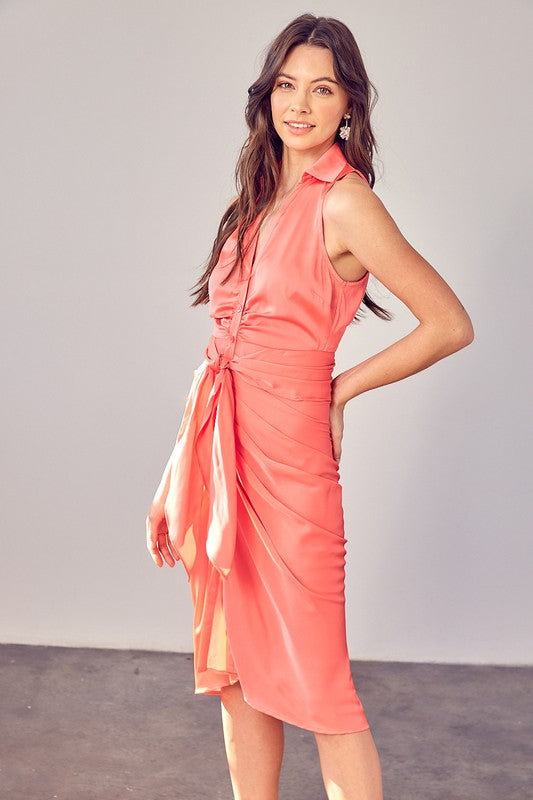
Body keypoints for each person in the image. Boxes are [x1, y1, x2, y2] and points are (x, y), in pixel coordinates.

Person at [146, 13, 474, 800]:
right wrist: (174, 469)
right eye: (286, 86)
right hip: (226, 448)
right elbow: (221, 353)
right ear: (266, 100)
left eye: (320, 89)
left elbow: (449, 324)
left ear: (348, 106)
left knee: (320, 690)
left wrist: (341, 389)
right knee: (237, 674)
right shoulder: (257, 198)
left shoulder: (344, 202)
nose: (299, 105)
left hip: (290, 458)